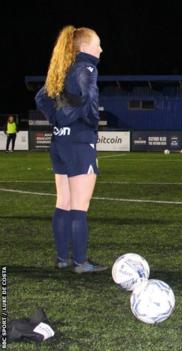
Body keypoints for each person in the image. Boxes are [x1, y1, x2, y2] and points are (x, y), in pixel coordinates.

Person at [35, 25, 107, 273]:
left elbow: (41, 98)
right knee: (79, 206)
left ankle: (62, 258)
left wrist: (58, 119)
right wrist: (76, 117)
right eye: (97, 43)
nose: (100, 48)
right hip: (79, 141)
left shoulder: (62, 69)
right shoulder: (86, 67)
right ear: (85, 47)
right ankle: (80, 262)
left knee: (63, 202)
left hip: (60, 142)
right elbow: (86, 97)